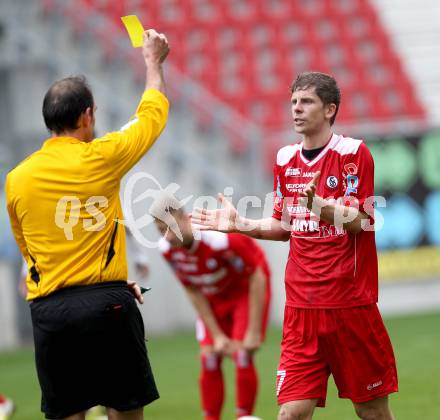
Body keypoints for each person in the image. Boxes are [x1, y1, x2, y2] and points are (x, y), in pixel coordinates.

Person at [191, 72, 398, 420]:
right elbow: (284, 225)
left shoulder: (352, 153)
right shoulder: (286, 158)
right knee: (291, 414)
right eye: (293, 102)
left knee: (373, 413)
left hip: (350, 307)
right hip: (301, 311)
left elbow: (361, 220)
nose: (296, 109)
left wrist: (320, 205)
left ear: (330, 109)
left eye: (306, 102)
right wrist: (241, 225)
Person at [5, 29, 169, 420]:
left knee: (68, 414)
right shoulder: (103, 156)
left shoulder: (17, 178)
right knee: (124, 410)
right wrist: (153, 63)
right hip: (107, 304)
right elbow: (152, 114)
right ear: (87, 115)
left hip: (50, 310)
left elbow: (29, 249)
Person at [151, 193, 271, 420]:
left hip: (243, 291)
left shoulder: (218, 238)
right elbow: (191, 288)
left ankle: (244, 417)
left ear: (186, 218)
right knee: (209, 356)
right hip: (212, 297)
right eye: (160, 231)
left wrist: (254, 330)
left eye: (170, 228)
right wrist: (216, 335)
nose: (166, 237)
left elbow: (256, 274)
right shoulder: (166, 250)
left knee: (243, 354)